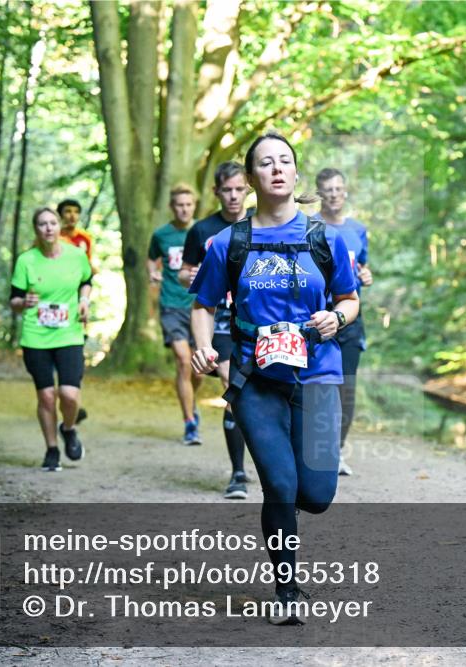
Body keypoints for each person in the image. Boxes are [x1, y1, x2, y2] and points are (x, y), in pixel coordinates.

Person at [190, 132, 359, 624]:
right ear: (251, 178)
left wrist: (338, 319)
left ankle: (295, 520)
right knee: (280, 486)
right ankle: (287, 590)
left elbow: (349, 299)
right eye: (266, 163)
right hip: (254, 379)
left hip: (319, 376)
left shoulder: (327, 239)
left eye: (285, 161)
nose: (277, 169)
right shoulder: (229, 243)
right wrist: (205, 347)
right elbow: (202, 305)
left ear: (296, 174)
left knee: (318, 497)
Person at [179, 161, 251, 499]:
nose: (234, 196)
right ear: (216, 192)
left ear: (248, 188)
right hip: (219, 320)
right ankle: (238, 472)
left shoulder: (262, 226)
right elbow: (185, 271)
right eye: (228, 190)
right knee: (231, 384)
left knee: (254, 393)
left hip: (256, 321)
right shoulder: (202, 230)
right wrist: (191, 277)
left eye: (239, 189)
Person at [10, 208, 92, 471]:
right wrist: (23, 302)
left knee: (68, 394)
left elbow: (87, 281)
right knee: (46, 396)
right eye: (42, 224)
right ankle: (52, 449)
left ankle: (68, 428)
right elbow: (14, 300)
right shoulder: (26, 261)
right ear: (36, 230)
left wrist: (84, 300)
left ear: (59, 226)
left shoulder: (76, 256)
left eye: (52, 223)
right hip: (36, 336)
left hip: (69, 334)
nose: (48, 228)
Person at [314, 168, 373, 475]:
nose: (334, 194)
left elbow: (362, 269)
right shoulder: (309, 228)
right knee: (318, 384)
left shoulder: (358, 230)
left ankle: (337, 452)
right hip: (316, 315)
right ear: (319, 194)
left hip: (350, 316)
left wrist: (366, 275)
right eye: (328, 190)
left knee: (346, 386)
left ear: (345, 192)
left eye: (338, 189)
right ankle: (312, 450)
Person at [148, 184, 202, 445]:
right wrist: (152, 272)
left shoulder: (203, 232)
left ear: (194, 206)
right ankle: (189, 421)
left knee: (198, 370)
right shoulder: (161, 235)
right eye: (179, 205)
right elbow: (151, 257)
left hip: (200, 307)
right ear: (172, 207)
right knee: (183, 360)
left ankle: (192, 402)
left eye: (188, 204)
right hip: (171, 304)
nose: (184, 209)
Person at [57, 198, 93, 423]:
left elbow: (87, 270)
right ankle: (62, 398)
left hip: (79, 299)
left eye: (76, 212)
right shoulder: (52, 236)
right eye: (67, 211)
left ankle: (73, 399)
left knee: (75, 348)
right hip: (54, 300)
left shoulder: (86, 239)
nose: (71, 215)